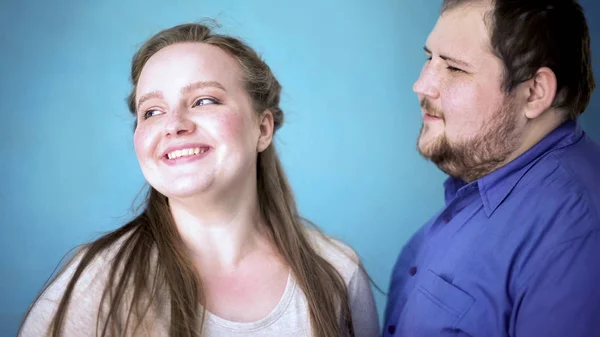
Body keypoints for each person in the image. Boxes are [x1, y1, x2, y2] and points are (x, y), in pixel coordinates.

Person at [19, 22, 379, 337]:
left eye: (204, 100)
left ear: (263, 128)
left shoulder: (336, 271)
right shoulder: (95, 284)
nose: (174, 124)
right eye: (152, 111)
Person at [384, 0, 600, 336]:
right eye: (430, 58)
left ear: (534, 93)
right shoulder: (487, 179)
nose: (422, 85)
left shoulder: (577, 236)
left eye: (454, 68)